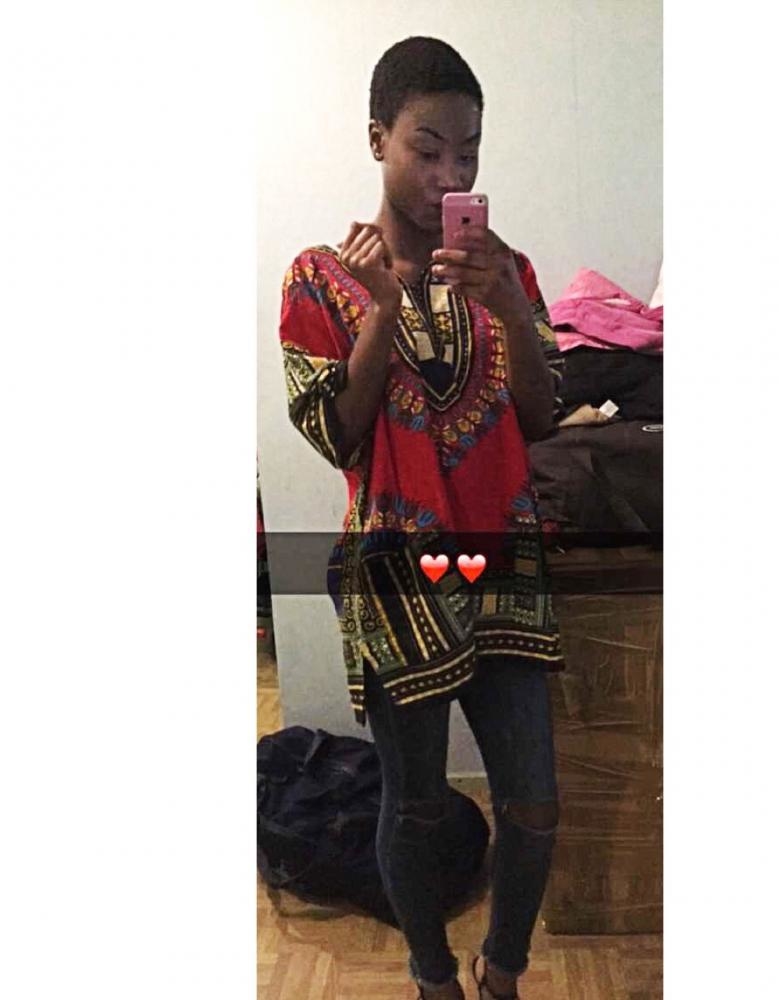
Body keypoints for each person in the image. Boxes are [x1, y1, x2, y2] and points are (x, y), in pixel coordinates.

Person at [278, 36, 566, 1000]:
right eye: (427, 148)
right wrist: (381, 311)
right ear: (378, 141)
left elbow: (541, 417)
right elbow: (336, 432)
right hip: (396, 579)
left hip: (503, 569)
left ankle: (502, 972)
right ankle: (433, 978)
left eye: (469, 152)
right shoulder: (318, 278)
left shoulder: (506, 271)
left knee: (534, 804)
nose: (451, 174)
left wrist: (511, 312)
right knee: (413, 809)